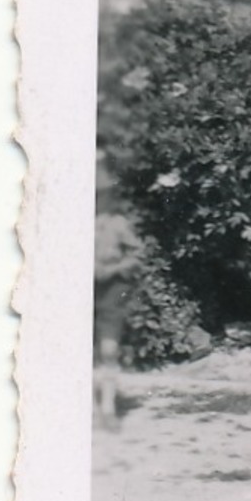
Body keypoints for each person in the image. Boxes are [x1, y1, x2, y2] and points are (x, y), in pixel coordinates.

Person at [93, 153, 144, 428]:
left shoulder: (118, 224)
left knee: (109, 349)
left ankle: (108, 408)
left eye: (104, 193)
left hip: (112, 288)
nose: (100, 198)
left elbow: (138, 255)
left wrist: (113, 270)